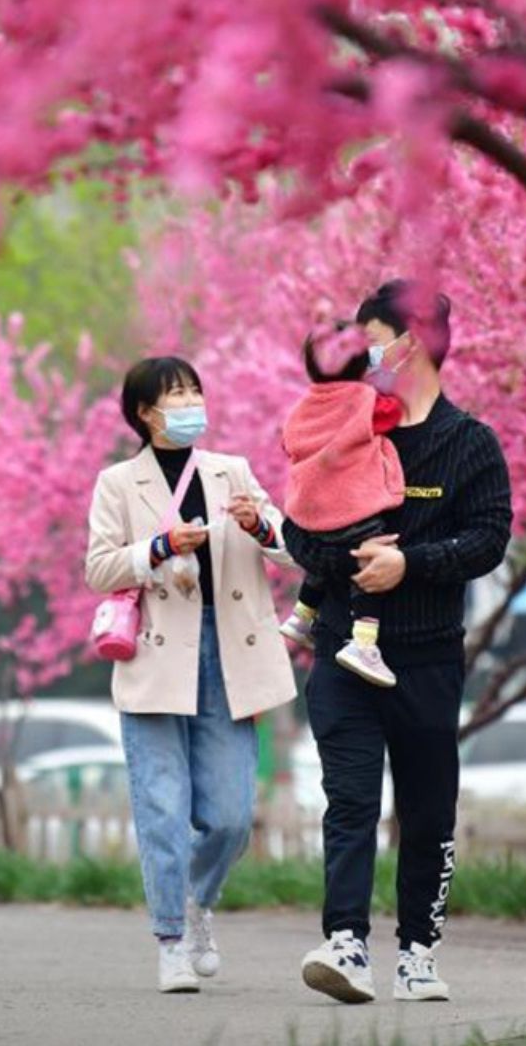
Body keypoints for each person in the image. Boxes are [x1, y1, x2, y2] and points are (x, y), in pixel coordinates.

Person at [284, 281, 513, 1005]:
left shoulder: (468, 443)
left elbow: (489, 539)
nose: (361, 355)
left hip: (426, 658)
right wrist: (349, 559)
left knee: (428, 809)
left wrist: (409, 563)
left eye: (372, 341)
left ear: (411, 343)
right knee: (349, 803)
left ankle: (418, 952)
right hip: (342, 654)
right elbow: (297, 527)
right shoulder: (345, 423)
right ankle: (346, 943)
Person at [84, 356, 299, 993]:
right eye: (175, 395)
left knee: (231, 816)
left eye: (194, 391)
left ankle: (199, 900)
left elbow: (291, 548)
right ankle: (172, 938)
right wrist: (158, 547)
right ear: (145, 412)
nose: (188, 404)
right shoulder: (118, 483)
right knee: (162, 808)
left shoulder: (231, 470)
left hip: (229, 652)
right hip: (155, 656)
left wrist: (260, 524)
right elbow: (98, 568)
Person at [278, 320, 407, 688]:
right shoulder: (363, 399)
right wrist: (383, 384)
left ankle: (301, 616)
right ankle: (363, 643)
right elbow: (390, 415)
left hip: (311, 512)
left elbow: (288, 442)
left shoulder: (305, 404)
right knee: (370, 566)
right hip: (353, 508)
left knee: (319, 567)